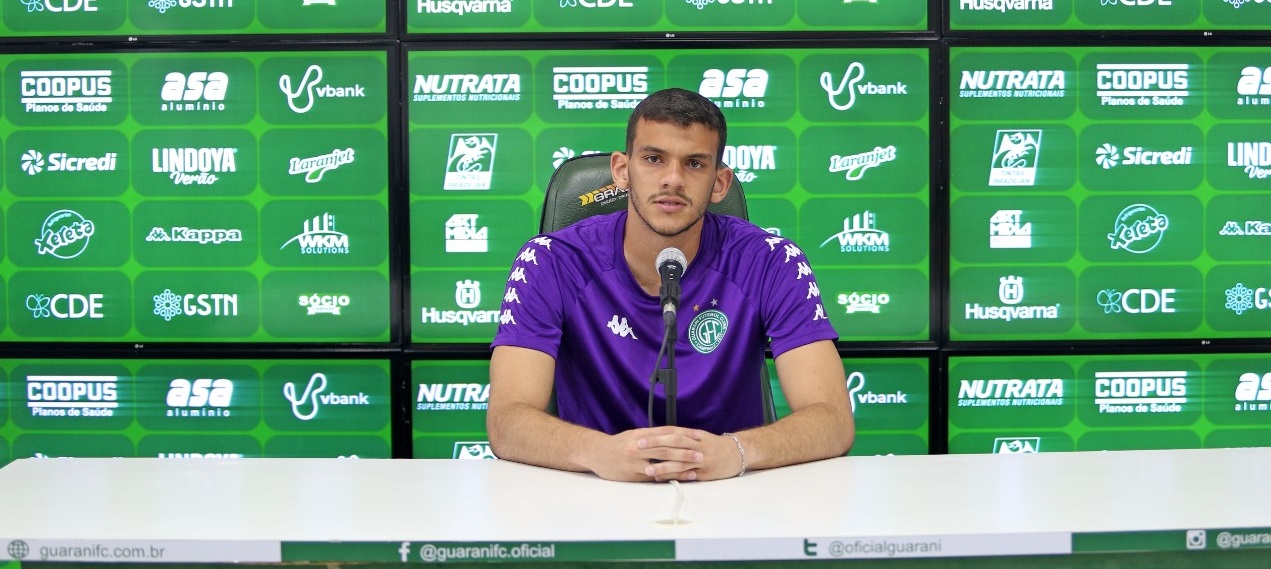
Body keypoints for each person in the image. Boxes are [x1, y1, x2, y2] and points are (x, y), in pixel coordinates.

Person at [487, 88, 853, 482]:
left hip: (732, 492)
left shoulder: (771, 260)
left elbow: (832, 420)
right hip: (593, 490)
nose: (673, 179)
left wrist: (737, 452)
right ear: (622, 170)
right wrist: (599, 452)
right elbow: (508, 421)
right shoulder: (550, 261)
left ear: (720, 183)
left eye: (695, 164)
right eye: (654, 159)